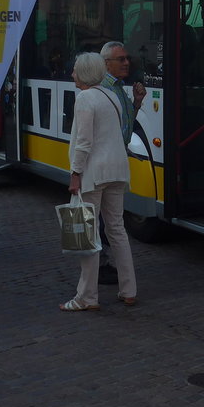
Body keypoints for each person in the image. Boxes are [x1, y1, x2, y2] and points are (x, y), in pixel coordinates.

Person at [60, 52, 137, 311]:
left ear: (83, 74)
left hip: (94, 172)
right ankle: (129, 290)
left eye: (74, 71)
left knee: (89, 236)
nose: (72, 75)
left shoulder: (84, 98)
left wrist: (75, 173)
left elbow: (84, 141)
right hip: (117, 170)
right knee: (117, 230)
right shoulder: (111, 96)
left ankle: (86, 297)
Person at [96, 41, 145, 283]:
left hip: (116, 161)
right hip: (102, 166)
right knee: (102, 220)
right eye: (121, 59)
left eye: (127, 58)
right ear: (106, 64)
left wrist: (136, 103)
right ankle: (100, 265)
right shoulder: (101, 90)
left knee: (110, 221)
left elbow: (125, 126)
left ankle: (107, 267)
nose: (127, 63)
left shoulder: (119, 87)